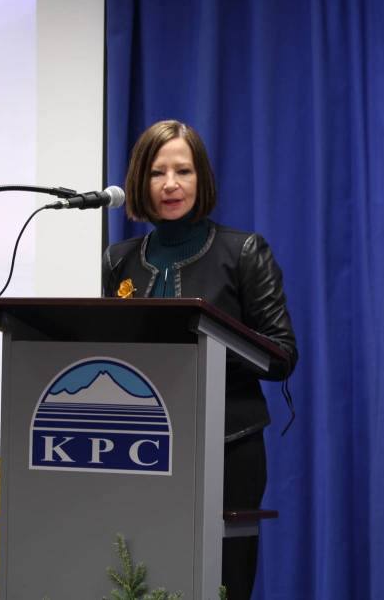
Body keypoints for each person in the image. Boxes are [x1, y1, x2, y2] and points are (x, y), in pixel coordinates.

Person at [102, 119, 298, 599]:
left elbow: (282, 356)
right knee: (143, 574)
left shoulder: (244, 252)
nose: (170, 184)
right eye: (157, 172)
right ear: (139, 182)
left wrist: (205, 341)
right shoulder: (118, 260)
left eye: (183, 171)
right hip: (140, 448)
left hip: (228, 446)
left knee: (221, 581)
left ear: (201, 179)